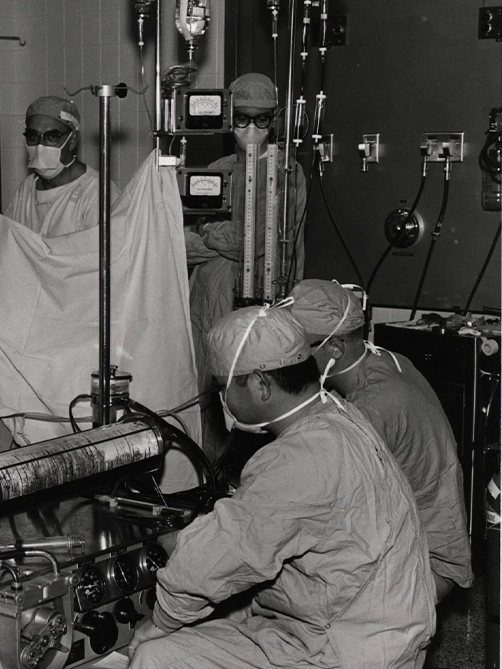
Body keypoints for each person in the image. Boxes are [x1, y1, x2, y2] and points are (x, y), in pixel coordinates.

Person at [128, 304, 435, 669]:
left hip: (345, 649)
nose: (223, 400)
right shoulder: (340, 415)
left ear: (260, 384)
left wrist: (160, 621)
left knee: (155, 655)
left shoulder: (299, 457)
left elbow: (214, 560)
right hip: (385, 627)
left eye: (224, 387)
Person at [288, 279, 474, 602]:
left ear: (334, 348)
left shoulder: (373, 407)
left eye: (298, 348)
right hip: (434, 534)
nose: (289, 358)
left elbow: (336, 506)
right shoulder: (385, 360)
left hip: (429, 561)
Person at [186, 72, 308, 456]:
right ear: (227, 118)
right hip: (206, 303)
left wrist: (208, 231)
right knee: (206, 403)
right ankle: (211, 492)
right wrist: (213, 234)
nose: (251, 128)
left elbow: (253, 243)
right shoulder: (217, 168)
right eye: (241, 118)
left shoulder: (286, 173)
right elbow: (179, 243)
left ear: (275, 121)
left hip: (258, 305)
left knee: (255, 409)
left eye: (262, 119)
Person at [4, 96, 119, 237]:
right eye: (33, 137)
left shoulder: (96, 192)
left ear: (72, 141)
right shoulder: (26, 191)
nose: (40, 146)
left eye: (51, 137)